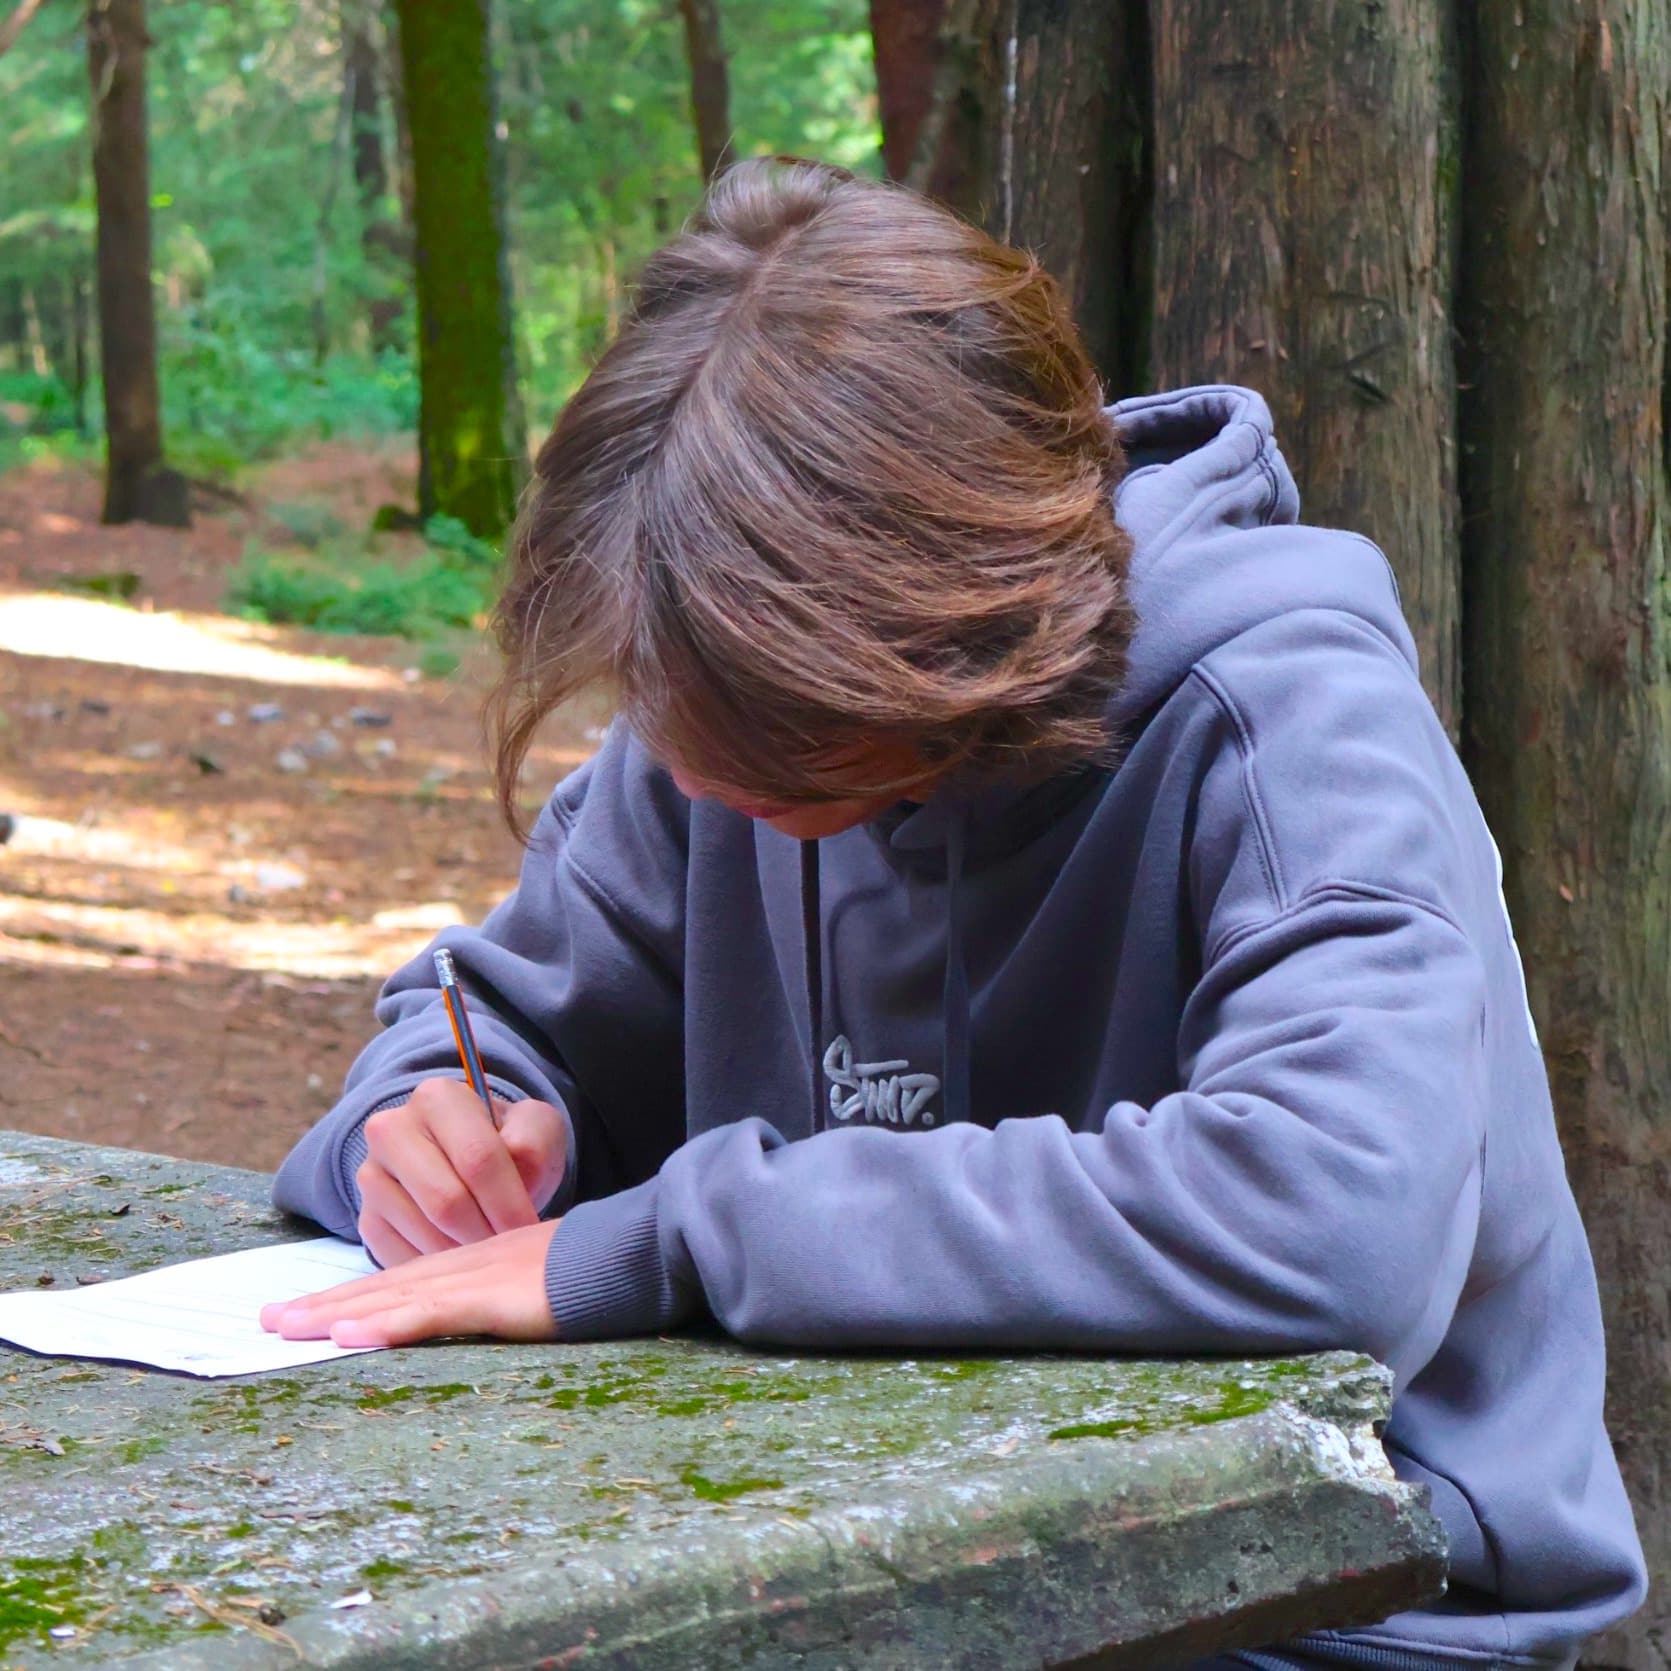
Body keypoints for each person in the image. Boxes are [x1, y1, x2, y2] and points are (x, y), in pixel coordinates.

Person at [264, 158, 1645, 1667]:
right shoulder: (726, 729)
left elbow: (1336, 1219)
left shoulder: (1286, 719)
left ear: (936, 617)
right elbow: (489, 1017)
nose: (705, 778)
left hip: (1331, 1610)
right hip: (881, 1552)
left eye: (781, 733)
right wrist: (426, 1132)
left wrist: (683, 1236)